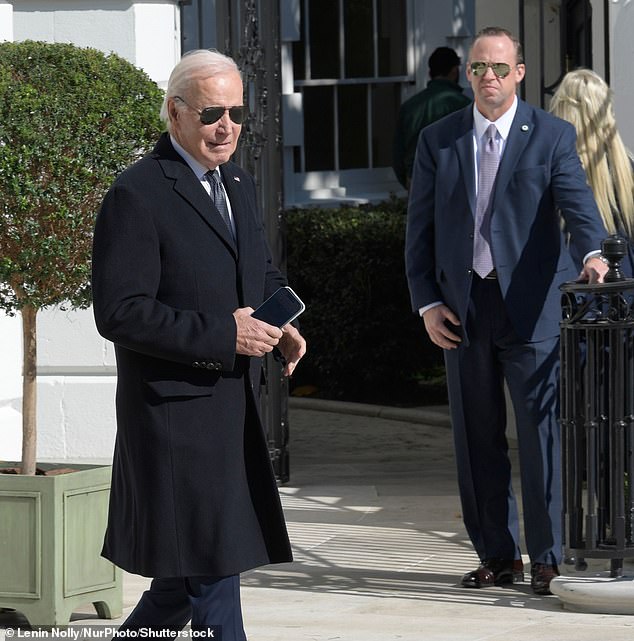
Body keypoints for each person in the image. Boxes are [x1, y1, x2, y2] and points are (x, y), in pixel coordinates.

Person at [91, 49, 306, 639]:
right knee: (213, 575)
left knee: (183, 584)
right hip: (174, 420)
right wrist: (224, 334)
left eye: (237, 112)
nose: (228, 126)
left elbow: (259, 272)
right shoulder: (136, 194)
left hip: (231, 410)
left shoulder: (236, 179)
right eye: (213, 112)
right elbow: (119, 313)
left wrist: (279, 323)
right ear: (175, 113)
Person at [405, 26, 609, 596]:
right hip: (462, 311)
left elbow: (578, 205)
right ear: (467, 74)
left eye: (497, 68)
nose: (487, 78)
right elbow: (418, 233)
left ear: (519, 72)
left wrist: (592, 253)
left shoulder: (550, 135)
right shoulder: (438, 140)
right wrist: (426, 303)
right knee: (476, 439)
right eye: (477, 69)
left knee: (541, 438)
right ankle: (497, 555)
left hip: (532, 308)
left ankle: (545, 558)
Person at [549, 68, 634, 276]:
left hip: (570, 284)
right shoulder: (627, 168)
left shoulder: (553, 168)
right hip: (621, 284)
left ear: (562, 109)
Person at [393, 46, 472, 190]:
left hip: (416, 179)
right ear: (454, 71)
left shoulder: (409, 107)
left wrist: (408, 180)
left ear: (430, 72)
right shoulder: (464, 106)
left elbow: (398, 155)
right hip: (453, 182)